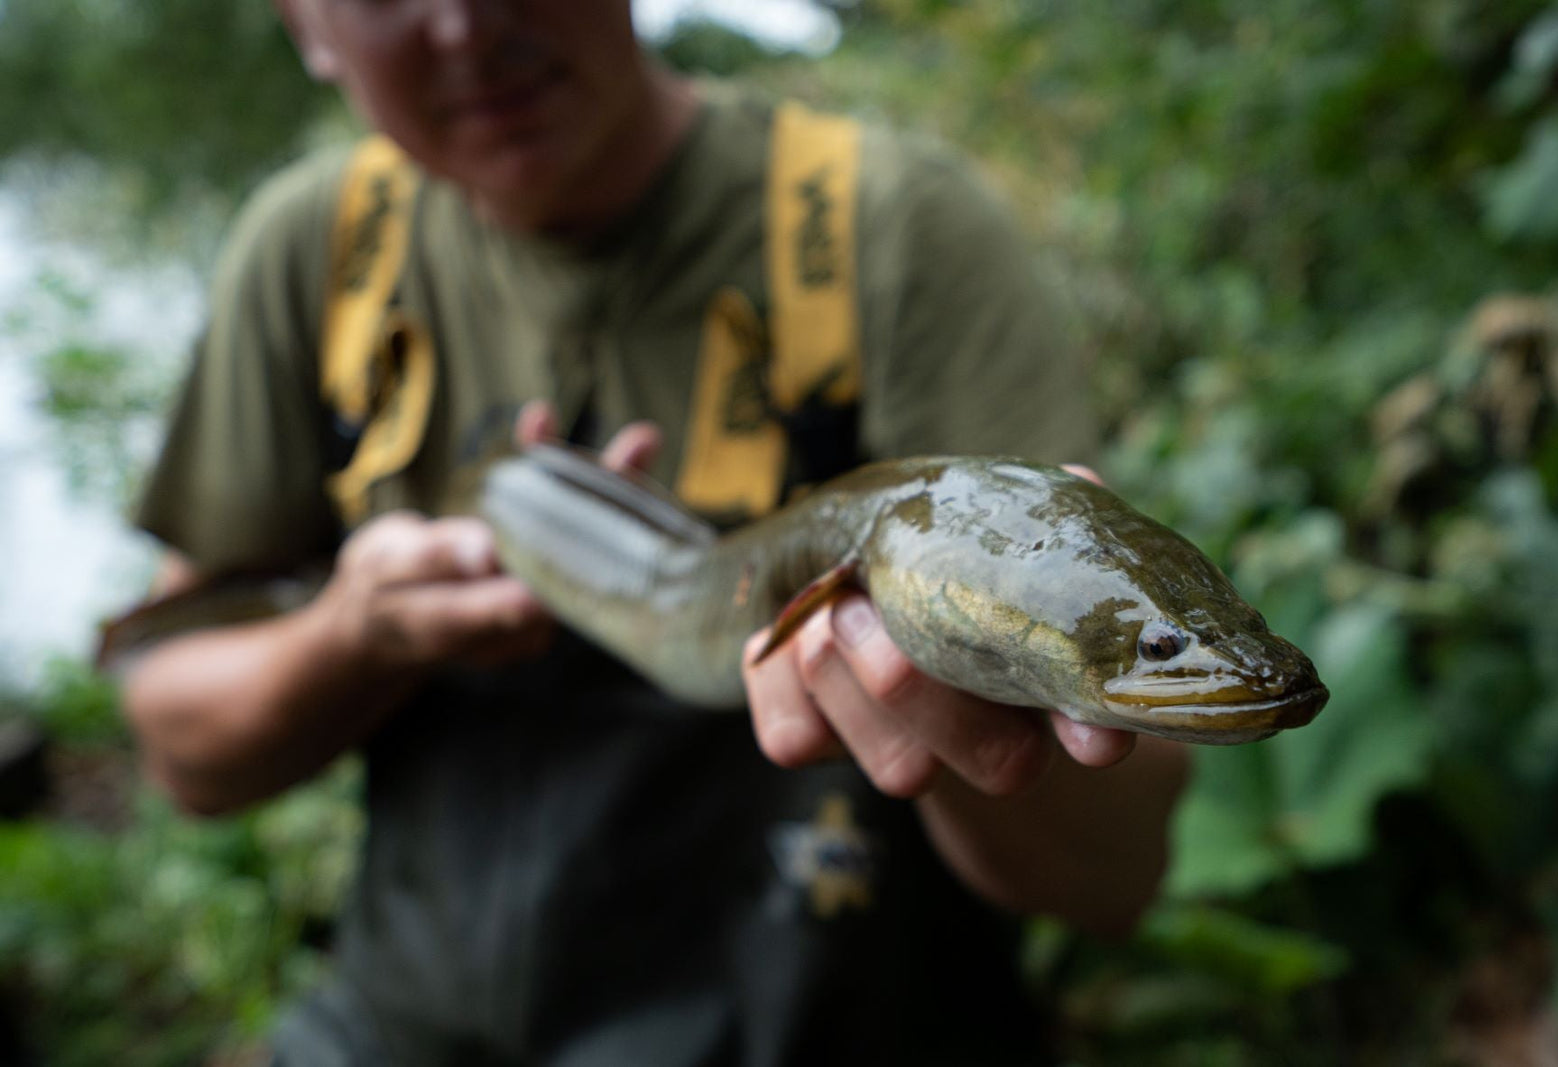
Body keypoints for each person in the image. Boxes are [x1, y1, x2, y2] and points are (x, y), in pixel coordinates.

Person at [119, 2, 1191, 1064]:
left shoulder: (892, 225)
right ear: (306, 28)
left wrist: (957, 708)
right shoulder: (317, 250)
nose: (463, 27)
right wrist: (351, 636)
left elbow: (1108, 880)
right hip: (413, 1028)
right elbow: (183, 750)